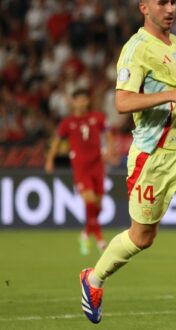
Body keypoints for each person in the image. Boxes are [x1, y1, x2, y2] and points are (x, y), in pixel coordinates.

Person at [78, 1, 176, 329]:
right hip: (154, 157)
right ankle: (93, 279)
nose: (170, 8)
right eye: (162, 2)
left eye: (173, 2)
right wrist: (174, 96)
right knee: (142, 237)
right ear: (143, 7)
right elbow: (122, 102)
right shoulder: (135, 49)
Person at [45, 88, 116, 255]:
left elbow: (109, 134)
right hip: (81, 168)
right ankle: (100, 240)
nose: (83, 102)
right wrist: (50, 159)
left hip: (97, 166)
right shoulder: (67, 123)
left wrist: (110, 150)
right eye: (79, 99)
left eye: (85, 99)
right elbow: (56, 142)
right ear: (73, 102)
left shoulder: (97, 117)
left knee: (97, 206)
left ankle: (85, 234)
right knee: (90, 202)